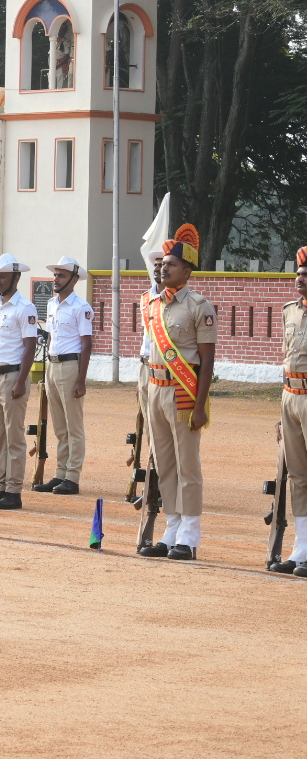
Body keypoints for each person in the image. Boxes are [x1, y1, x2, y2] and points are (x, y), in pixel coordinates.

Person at [136, 225, 215, 560]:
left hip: (183, 392)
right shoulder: (152, 304)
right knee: (164, 463)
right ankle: (171, 529)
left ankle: (190, 535)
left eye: (170, 264)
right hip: (154, 388)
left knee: (187, 465)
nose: (163, 268)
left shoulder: (200, 306)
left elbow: (207, 360)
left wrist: (200, 406)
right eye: (163, 263)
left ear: (187, 270)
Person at [0, 253, 38, 511]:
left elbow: (29, 346)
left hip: (13, 376)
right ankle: (0, 487)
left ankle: (13, 490)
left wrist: (22, 380)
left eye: (2, 276)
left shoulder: (25, 308)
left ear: (16, 278)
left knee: (14, 436)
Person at [34, 256, 92, 495]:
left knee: (73, 425)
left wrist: (81, 379)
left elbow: (86, 344)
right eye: (55, 275)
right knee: (59, 425)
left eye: (61, 275)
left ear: (74, 279)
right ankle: (60, 473)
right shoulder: (51, 304)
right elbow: (51, 337)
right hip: (53, 365)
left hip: (71, 366)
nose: (56, 279)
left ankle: (72, 476)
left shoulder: (81, 307)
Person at [273, 246, 307, 574]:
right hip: (291, 397)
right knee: (297, 476)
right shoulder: (289, 311)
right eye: (298, 273)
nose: (300, 278)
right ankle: (301, 549)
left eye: (306, 274)